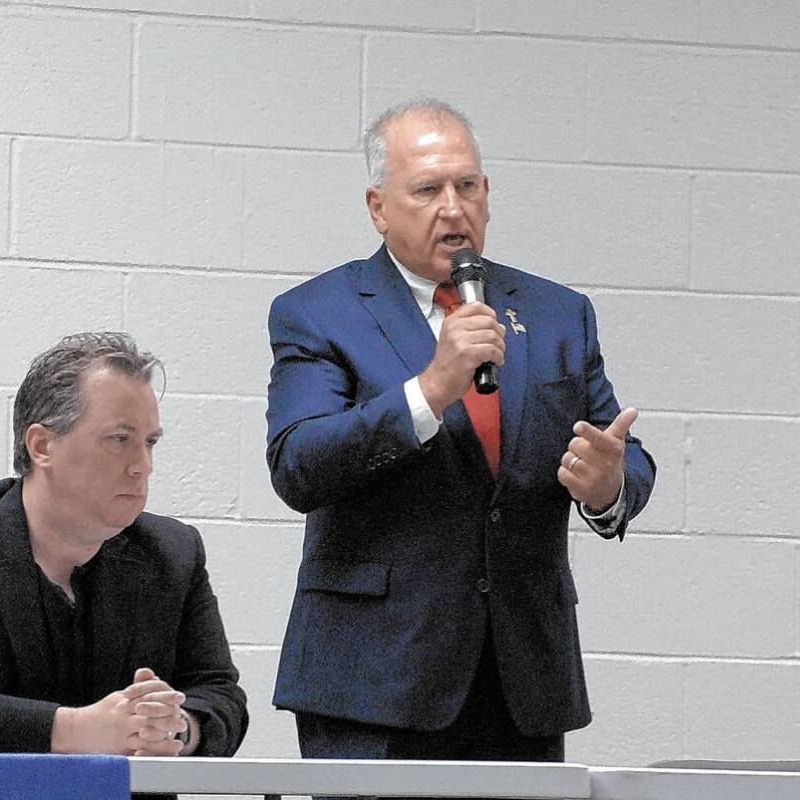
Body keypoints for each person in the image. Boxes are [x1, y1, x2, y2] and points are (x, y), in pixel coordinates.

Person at [265, 100, 656, 765]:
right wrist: (431, 389)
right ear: (378, 205)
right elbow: (299, 464)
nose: (453, 207)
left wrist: (608, 484)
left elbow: (619, 448)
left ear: (487, 194)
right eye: (427, 189)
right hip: (370, 683)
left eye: (467, 186)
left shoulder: (559, 314)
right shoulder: (319, 312)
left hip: (518, 681)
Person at [0, 332, 247, 760]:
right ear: (42, 446)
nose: (143, 466)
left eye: (150, 442)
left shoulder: (174, 553)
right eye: (120, 439)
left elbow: (220, 694)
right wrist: (76, 730)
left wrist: (174, 729)